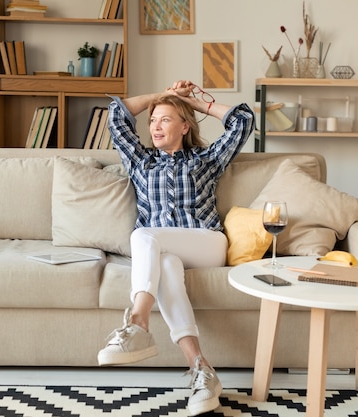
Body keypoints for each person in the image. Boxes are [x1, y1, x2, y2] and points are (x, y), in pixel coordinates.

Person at [97, 80, 254, 416]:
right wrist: (161, 98)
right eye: (153, 120)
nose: (155, 126)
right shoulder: (141, 161)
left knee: (143, 237)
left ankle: (138, 323)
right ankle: (201, 370)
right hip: (166, 252)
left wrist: (191, 103)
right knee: (166, 265)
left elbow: (243, 120)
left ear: (185, 127)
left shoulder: (207, 158)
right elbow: (116, 114)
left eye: (165, 119)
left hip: (206, 243)